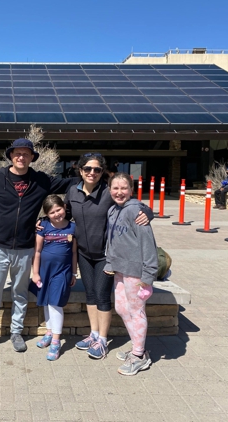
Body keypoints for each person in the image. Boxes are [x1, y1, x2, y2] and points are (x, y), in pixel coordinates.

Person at [0, 138, 78, 354]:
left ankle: (16, 332)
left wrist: (94, 177)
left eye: (26, 154)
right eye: (17, 153)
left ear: (32, 157)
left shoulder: (40, 180)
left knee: (20, 292)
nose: (21, 157)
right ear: (11, 156)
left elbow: (69, 183)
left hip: (24, 248)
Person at [64, 152, 153, 359]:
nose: (92, 173)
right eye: (88, 169)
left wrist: (148, 213)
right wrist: (44, 221)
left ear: (102, 172)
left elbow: (134, 205)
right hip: (85, 254)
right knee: (90, 294)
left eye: (97, 169)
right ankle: (93, 334)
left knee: (102, 296)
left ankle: (103, 340)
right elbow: (65, 214)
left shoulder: (109, 192)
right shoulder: (72, 192)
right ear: (80, 170)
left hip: (106, 255)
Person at [104, 172, 158, 376]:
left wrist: (148, 275)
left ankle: (139, 355)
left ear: (131, 190)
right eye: (115, 188)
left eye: (124, 188)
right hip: (119, 269)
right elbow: (111, 239)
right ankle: (138, 347)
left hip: (136, 272)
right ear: (110, 190)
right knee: (121, 307)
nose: (119, 192)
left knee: (136, 311)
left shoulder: (136, 211)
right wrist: (109, 262)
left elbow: (149, 244)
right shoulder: (112, 210)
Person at [31, 195, 77, 361]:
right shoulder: (43, 226)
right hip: (45, 271)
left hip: (62, 272)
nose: (57, 214)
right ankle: (49, 332)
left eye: (59, 209)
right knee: (46, 301)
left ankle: (56, 342)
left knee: (55, 303)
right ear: (46, 214)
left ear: (64, 207)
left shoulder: (72, 228)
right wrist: (35, 273)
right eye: (52, 212)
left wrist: (73, 272)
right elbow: (37, 251)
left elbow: (73, 252)